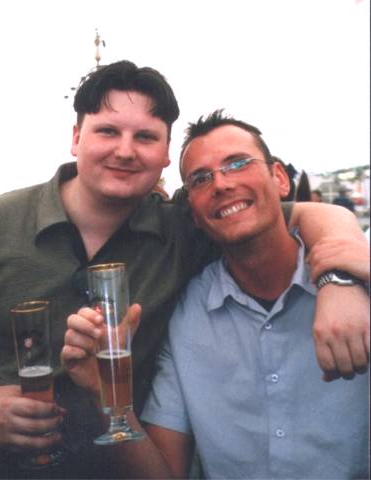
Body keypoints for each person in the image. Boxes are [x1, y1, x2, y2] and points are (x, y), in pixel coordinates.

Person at [0, 61, 369, 479]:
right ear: (76, 138)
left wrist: (339, 279)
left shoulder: (184, 224)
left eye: (145, 137)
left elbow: (291, 214)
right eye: (107, 131)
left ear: (166, 154)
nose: (125, 151)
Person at [62, 110, 369, 479]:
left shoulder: (359, 278)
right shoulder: (188, 315)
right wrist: (105, 393)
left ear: (279, 178)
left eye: (238, 163)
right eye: (201, 178)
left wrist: (341, 281)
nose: (221, 184)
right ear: (192, 212)